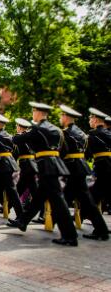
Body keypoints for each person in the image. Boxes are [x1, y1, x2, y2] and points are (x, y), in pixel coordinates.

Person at [8, 102, 78, 246]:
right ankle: (23, 221)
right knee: (39, 197)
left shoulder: (37, 128)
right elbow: (63, 150)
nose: (33, 114)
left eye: (33, 112)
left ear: (38, 113)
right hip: (54, 164)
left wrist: (19, 134)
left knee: (58, 201)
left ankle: (70, 236)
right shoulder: (57, 130)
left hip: (46, 166)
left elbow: (17, 140)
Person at [59, 105, 108, 240]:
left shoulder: (69, 133)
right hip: (82, 169)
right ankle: (101, 230)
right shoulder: (81, 132)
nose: (89, 120)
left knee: (64, 201)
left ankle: (69, 235)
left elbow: (64, 152)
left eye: (91, 118)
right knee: (86, 201)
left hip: (78, 169)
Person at [86, 108, 111, 227]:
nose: (89, 120)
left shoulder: (93, 134)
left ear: (95, 119)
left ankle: (100, 229)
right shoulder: (108, 132)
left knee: (93, 197)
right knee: (95, 197)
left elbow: (86, 153)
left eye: (90, 118)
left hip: (102, 167)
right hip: (108, 166)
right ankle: (83, 215)